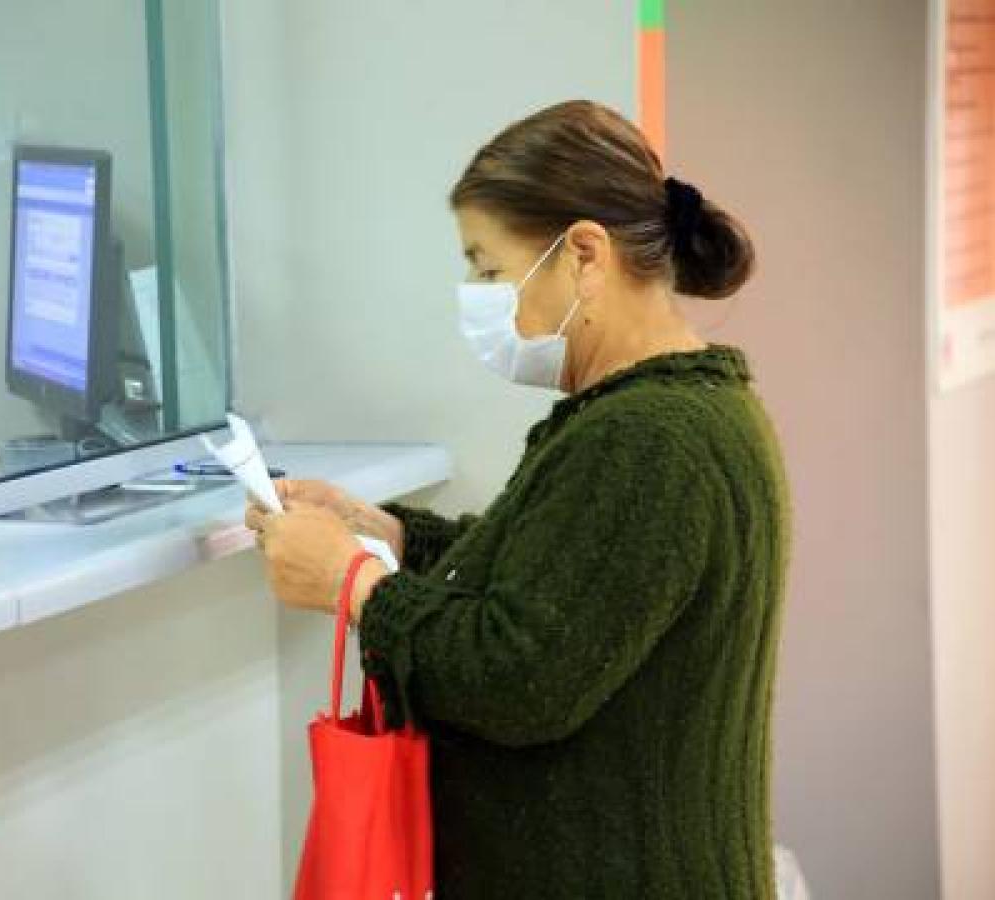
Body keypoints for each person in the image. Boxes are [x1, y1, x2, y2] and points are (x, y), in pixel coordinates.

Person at [246, 99, 790, 898]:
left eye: (490, 270)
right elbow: (564, 588)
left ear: (585, 255)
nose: (476, 295)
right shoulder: (665, 413)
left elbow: (518, 677)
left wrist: (351, 585)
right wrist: (391, 536)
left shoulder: (649, 436)